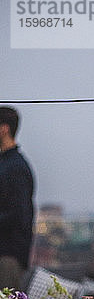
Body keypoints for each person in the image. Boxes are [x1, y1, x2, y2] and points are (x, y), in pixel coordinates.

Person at [0, 106, 34, 289]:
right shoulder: (7, 164)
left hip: (8, 256)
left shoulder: (15, 168)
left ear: (3, 129)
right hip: (6, 254)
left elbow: (18, 213)